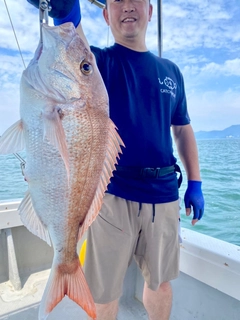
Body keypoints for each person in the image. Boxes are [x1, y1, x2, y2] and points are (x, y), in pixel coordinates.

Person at [28, 0, 205, 319]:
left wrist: (195, 182)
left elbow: (182, 130)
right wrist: (67, 14)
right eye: (117, 1)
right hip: (109, 196)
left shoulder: (171, 72)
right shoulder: (99, 63)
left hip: (163, 196)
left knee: (161, 283)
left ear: (150, 11)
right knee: (104, 289)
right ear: (106, 14)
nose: (127, 6)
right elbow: (74, 53)